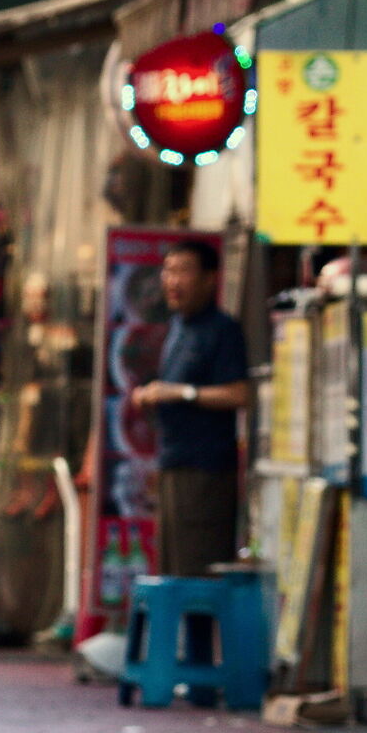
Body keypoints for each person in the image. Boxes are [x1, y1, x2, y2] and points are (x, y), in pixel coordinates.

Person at [130, 238, 249, 576]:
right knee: (172, 573)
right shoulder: (177, 326)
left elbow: (241, 394)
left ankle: (200, 632)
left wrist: (182, 393)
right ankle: (185, 632)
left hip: (206, 473)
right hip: (172, 465)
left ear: (211, 278)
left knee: (197, 574)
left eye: (183, 271)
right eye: (168, 271)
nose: (172, 281)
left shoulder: (224, 329)